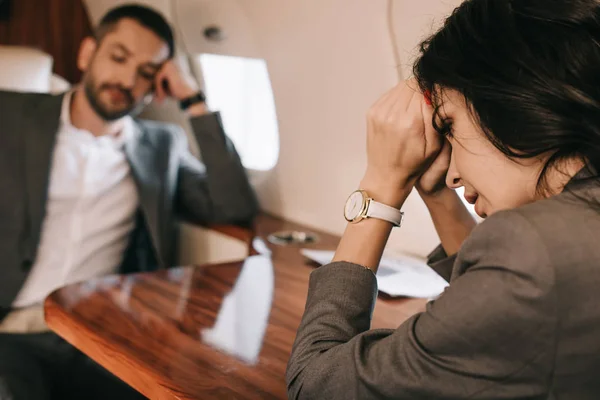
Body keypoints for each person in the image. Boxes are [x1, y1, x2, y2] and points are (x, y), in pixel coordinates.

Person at [287, 0, 600, 398]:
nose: (453, 172)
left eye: (449, 124)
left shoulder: (529, 251)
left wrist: (381, 186)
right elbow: (502, 317)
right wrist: (438, 195)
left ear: (511, 101)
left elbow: (314, 385)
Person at [0, 4, 257, 399]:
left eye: (146, 73)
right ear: (88, 53)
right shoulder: (12, 114)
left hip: (102, 333)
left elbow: (233, 204)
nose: (126, 79)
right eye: (118, 57)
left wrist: (193, 100)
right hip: (13, 331)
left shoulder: (159, 147)